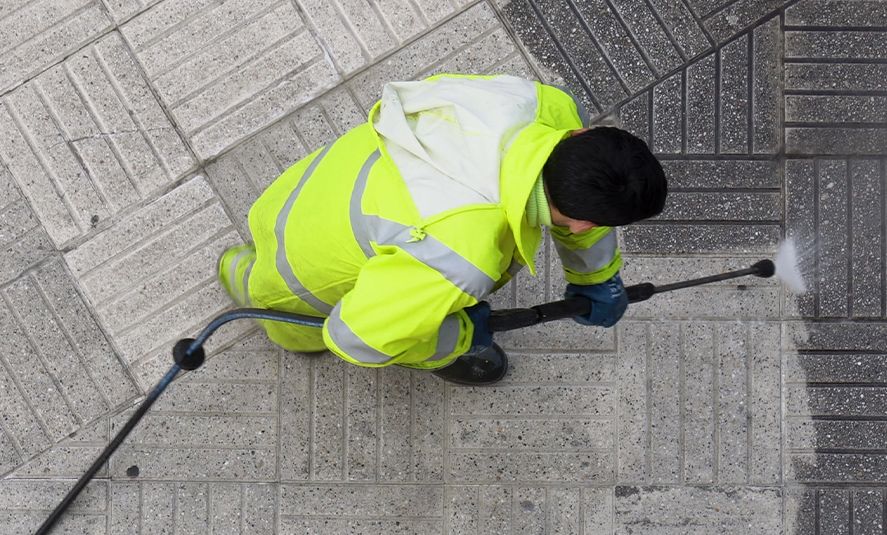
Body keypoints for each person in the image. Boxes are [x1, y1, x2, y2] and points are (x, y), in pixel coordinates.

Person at [218, 74, 667, 385]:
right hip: (300, 277)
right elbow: (355, 339)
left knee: (282, 245)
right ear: (587, 220)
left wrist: (596, 276)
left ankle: (244, 258)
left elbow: (578, 188)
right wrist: (462, 334)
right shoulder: (458, 256)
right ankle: (246, 279)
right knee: (290, 317)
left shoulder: (545, 107)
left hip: (302, 193)